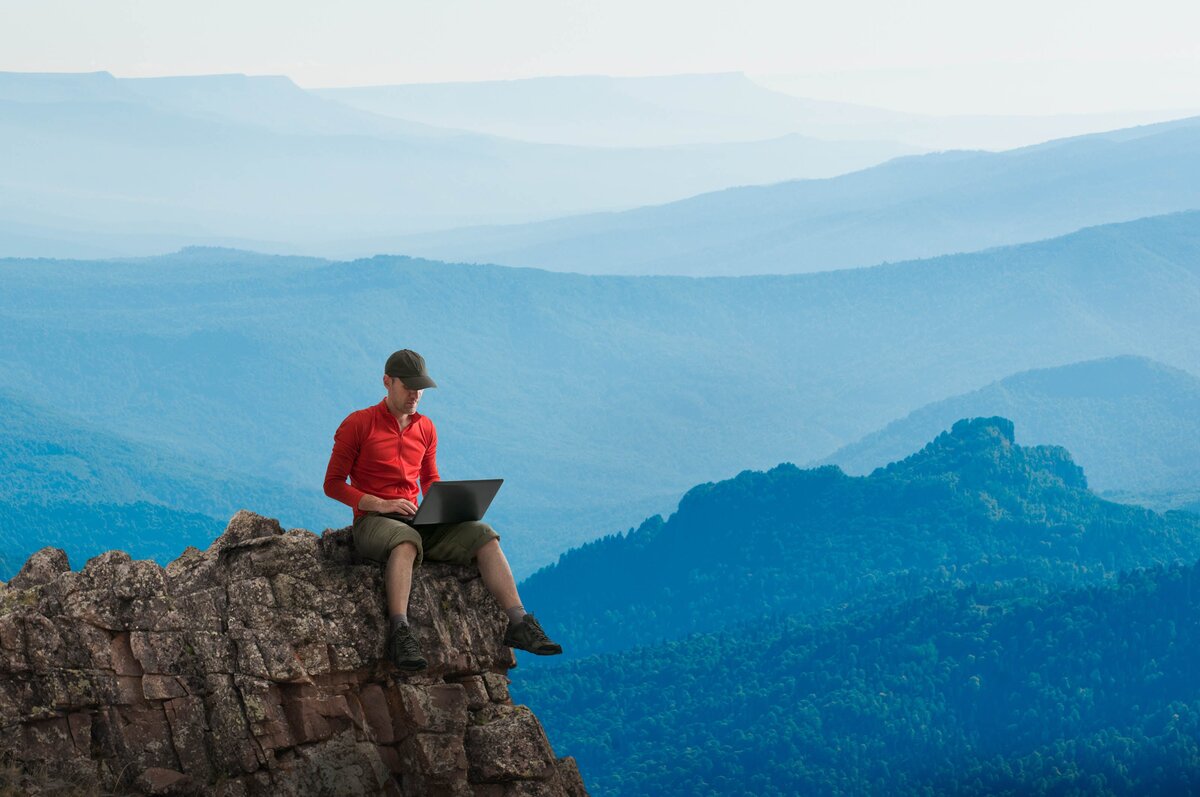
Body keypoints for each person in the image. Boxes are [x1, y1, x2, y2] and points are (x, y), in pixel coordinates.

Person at [323, 349, 562, 671]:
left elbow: (429, 478)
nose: (415, 394)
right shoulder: (358, 424)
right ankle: (400, 631)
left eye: (420, 388)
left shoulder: (426, 428)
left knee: (484, 534)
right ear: (387, 382)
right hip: (374, 521)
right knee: (405, 541)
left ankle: (519, 622)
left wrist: (448, 506)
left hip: (417, 519)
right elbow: (333, 484)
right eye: (407, 386)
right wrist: (379, 503)